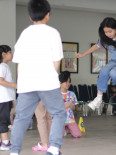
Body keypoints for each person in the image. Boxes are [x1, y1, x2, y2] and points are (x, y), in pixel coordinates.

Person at [10, 0, 66, 155]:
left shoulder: (24, 34)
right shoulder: (53, 33)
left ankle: (14, 152)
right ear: (48, 15)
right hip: (47, 82)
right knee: (59, 113)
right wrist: (50, 76)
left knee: (21, 118)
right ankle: (54, 148)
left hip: (26, 83)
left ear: (30, 16)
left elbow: (19, 63)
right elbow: (57, 61)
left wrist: (23, 83)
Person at [0, 45, 17, 151]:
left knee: (3, 120)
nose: (12, 54)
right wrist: (16, 85)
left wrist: (11, 101)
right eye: (10, 52)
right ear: (4, 54)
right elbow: (0, 81)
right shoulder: (1, 66)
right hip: (3, 99)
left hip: (6, 99)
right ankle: (5, 143)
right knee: (3, 120)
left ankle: (3, 141)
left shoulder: (5, 66)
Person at [59, 71, 82, 138]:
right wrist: (65, 105)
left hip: (70, 119)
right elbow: (54, 108)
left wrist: (74, 107)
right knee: (59, 136)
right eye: (66, 82)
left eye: (69, 82)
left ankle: (68, 128)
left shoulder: (72, 94)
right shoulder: (56, 94)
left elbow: (75, 107)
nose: (68, 84)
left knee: (78, 135)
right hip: (60, 119)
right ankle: (66, 130)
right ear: (60, 82)